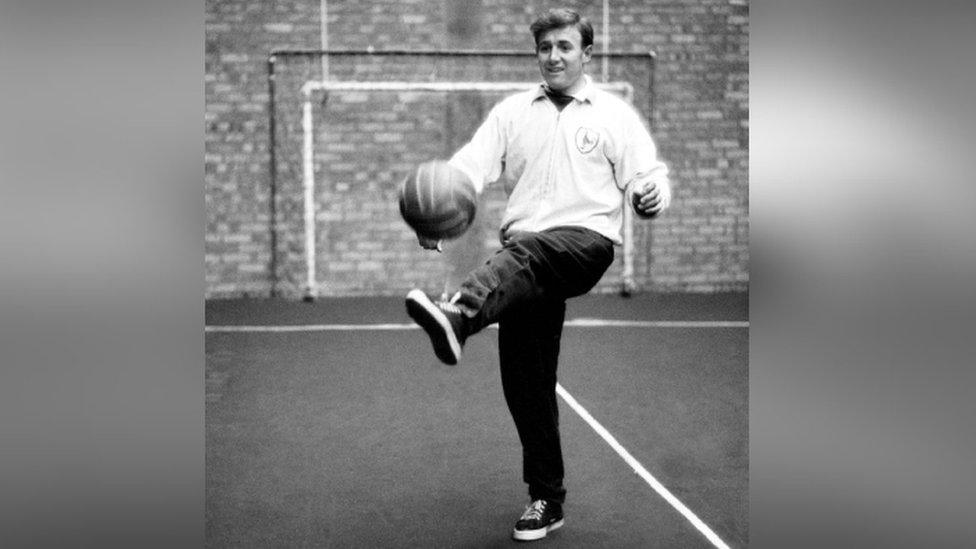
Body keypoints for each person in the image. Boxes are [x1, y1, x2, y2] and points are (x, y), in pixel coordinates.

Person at [405, 7, 671, 542]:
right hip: (523, 261)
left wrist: (650, 194)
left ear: (586, 53)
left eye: (565, 47)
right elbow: (466, 170)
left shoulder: (613, 116)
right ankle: (547, 499)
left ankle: (460, 315)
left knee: (527, 259)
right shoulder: (512, 113)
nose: (554, 56)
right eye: (545, 47)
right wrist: (432, 214)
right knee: (526, 384)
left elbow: (649, 174)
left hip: (584, 244)